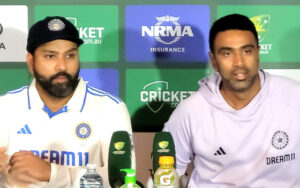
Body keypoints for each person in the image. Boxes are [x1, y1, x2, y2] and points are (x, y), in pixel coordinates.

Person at [163, 14, 300, 187]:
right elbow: (167, 176)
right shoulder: (190, 111)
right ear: (214, 60)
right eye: (227, 53)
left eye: (247, 51)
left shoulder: (295, 97)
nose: (239, 62)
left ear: (258, 53)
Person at [0, 16, 135, 187]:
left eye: (70, 55)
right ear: (31, 62)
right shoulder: (4, 107)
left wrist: (52, 172)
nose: (62, 66)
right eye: (50, 56)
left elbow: (124, 178)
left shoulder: (111, 109)